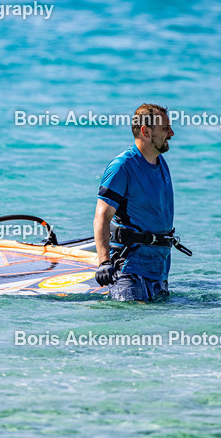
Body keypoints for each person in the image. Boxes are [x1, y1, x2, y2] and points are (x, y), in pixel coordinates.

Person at [93, 103, 180, 301]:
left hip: (159, 272)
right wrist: (104, 262)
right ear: (145, 131)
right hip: (130, 272)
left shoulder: (161, 164)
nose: (172, 133)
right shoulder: (122, 166)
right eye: (165, 128)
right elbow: (101, 216)